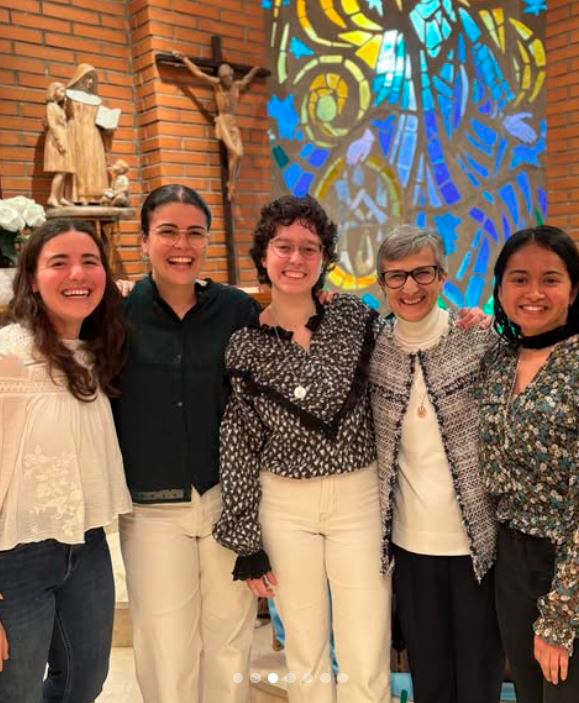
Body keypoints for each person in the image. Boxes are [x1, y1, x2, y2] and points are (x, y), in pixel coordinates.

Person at [213, 194, 392, 703]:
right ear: (263, 255)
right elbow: (238, 441)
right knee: (304, 650)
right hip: (285, 506)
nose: (296, 259)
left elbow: (409, 352)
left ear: (324, 258)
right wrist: (246, 540)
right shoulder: (244, 344)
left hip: (358, 499)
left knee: (366, 643)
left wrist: (479, 325)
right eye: (284, 246)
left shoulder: (354, 317)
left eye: (309, 248)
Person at [112, 184, 259, 703]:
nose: (182, 245)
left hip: (225, 498)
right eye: (168, 232)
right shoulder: (116, 313)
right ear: (143, 239)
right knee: (165, 646)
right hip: (151, 506)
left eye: (195, 233)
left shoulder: (236, 310)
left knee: (230, 640)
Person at [368, 225, 504, 703]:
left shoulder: (479, 342)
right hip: (410, 547)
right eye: (396, 276)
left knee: (479, 681)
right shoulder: (375, 349)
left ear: (442, 276)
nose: (410, 287)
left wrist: (491, 321)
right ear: (382, 284)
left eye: (422, 273)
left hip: (477, 547)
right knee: (430, 682)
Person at [0, 218, 131, 702]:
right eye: (59, 262)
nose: (77, 274)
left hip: (86, 545)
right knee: (16, 691)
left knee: (84, 682)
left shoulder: (96, 351)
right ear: (33, 279)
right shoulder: (10, 358)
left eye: (89, 262)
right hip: (14, 556)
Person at [478, 224, 578, 703]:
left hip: (567, 565)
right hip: (512, 563)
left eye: (550, 279)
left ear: (573, 290)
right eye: (519, 279)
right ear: (500, 289)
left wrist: (561, 612)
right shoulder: (498, 361)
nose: (533, 292)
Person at [171, 51, 260, 200]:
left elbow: (247, 79)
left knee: (239, 154)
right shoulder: (217, 85)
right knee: (235, 152)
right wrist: (185, 60)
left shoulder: (237, 85)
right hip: (223, 121)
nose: (226, 79)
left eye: (228, 76)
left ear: (232, 74)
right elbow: (200, 74)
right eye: (223, 77)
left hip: (232, 122)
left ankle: (232, 182)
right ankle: (231, 184)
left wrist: (256, 69)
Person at [65, 63, 109, 204]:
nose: (90, 82)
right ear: (79, 77)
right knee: (79, 164)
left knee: (94, 164)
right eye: (87, 77)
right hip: (76, 132)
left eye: (92, 79)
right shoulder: (68, 95)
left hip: (93, 134)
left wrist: (109, 125)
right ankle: (78, 196)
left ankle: (96, 196)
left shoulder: (96, 100)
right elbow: (62, 116)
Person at [43, 81, 74, 208]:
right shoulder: (51, 106)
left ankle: (60, 197)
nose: (63, 94)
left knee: (64, 170)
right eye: (61, 91)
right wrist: (59, 141)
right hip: (57, 139)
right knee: (60, 170)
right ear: (53, 91)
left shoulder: (60, 107)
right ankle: (52, 197)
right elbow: (52, 124)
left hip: (63, 136)